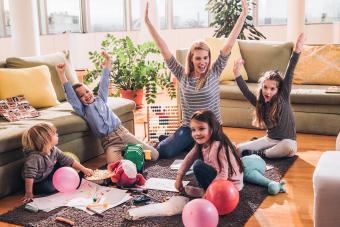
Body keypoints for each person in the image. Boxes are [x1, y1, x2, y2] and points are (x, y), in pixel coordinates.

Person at [144, 0, 248, 159]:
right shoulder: (182, 74)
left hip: (212, 129)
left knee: (217, 154)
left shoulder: (215, 71)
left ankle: (186, 143)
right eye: (198, 58)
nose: (203, 62)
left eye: (205, 58)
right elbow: (163, 48)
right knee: (164, 151)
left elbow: (229, 43)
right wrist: (148, 23)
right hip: (189, 129)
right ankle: (177, 141)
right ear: (191, 59)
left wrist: (243, 15)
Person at [56, 52, 159, 164]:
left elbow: (104, 81)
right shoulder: (83, 110)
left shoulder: (101, 99)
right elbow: (71, 95)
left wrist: (108, 61)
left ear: (90, 90)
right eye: (81, 96)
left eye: (87, 91)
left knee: (155, 155)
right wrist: (62, 74)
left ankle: (133, 152)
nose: (86, 95)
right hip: (110, 143)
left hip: (123, 134)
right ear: (79, 101)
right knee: (115, 167)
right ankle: (128, 155)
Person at [233, 33, 304, 159]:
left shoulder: (283, 97)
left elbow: (290, 71)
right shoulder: (260, 103)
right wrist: (237, 73)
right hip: (269, 140)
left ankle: (263, 153)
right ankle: (264, 151)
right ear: (262, 87)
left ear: (278, 90)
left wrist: (297, 51)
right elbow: (246, 92)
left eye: (272, 89)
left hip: (287, 142)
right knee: (239, 149)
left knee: (288, 146)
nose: (268, 92)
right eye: (265, 87)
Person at [175, 110, 244, 195]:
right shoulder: (201, 144)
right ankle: (206, 190)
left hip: (230, 187)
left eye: (201, 128)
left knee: (198, 165)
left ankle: (206, 192)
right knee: (198, 165)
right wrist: (179, 178)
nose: (197, 133)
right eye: (193, 130)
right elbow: (189, 158)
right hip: (224, 182)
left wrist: (210, 193)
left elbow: (223, 175)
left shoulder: (217, 146)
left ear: (212, 128)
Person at [22, 122, 94, 203]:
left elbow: (68, 160)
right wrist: (29, 193)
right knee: (50, 188)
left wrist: (84, 169)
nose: (57, 135)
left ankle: (77, 176)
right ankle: (59, 183)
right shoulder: (34, 158)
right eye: (54, 134)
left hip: (48, 171)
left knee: (66, 165)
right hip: (38, 181)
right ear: (47, 139)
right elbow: (29, 176)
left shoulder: (54, 149)